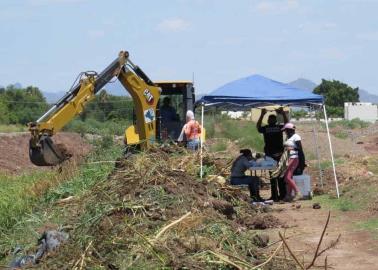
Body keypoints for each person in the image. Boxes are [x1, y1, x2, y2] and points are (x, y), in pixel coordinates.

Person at [256, 107, 289, 201]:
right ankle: (275, 196)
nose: (271, 120)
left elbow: (287, 125)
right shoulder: (266, 128)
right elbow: (258, 127)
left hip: (278, 155)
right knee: (273, 176)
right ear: (268, 121)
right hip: (270, 155)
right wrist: (262, 115)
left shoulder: (279, 127)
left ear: (275, 120)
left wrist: (282, 114)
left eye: (273, 119)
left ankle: (282, 195)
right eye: (270, 119)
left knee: (280, 176)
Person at [281, 123, 304, 201]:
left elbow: (300, 148)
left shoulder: (296, 137)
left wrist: (291, 149)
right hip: (288, 158)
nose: (285, 132)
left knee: (287, 177)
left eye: (285, 130)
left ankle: (298, 193)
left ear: (289, 130)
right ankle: (288, 195)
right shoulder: (289, 138)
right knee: (287, 177)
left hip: (293, 158)